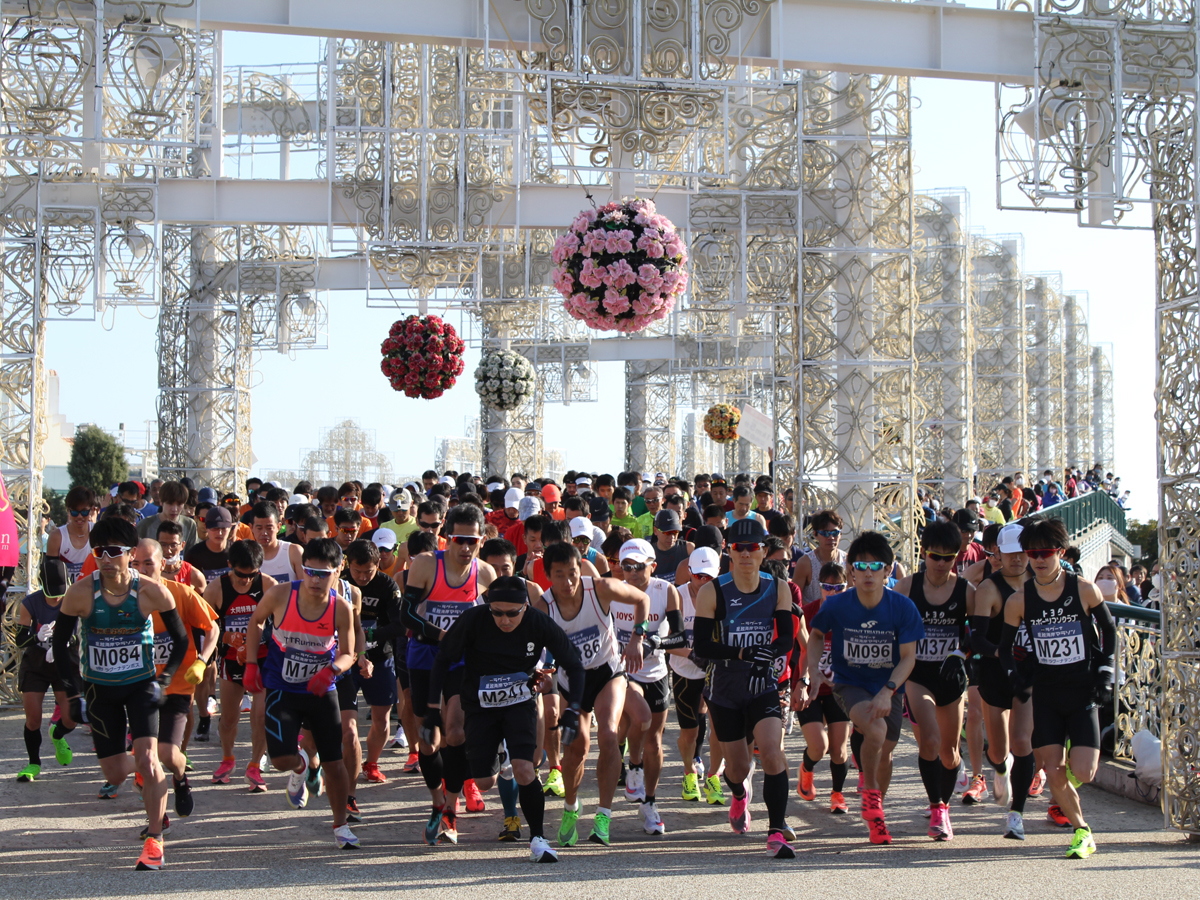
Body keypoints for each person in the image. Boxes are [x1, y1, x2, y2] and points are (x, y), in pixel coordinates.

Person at [51, 516, 189, 870]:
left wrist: (166, 679)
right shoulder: (81, 592)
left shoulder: (150, 591)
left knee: (147, 759)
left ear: (130, 553)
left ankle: (155, 840)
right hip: (100, 689)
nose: (107, 559)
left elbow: (181, 640)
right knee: (114, 774)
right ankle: (147, 758)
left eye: (115, 552)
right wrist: (72, 693)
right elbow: (59, 641)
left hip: (141, 685)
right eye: (100, 552)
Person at [426, 575, 587, 862]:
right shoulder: (473, 619)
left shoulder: (539, 622)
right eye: (496, 612)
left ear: (525, 605)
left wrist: (572, 709)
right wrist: (430, 709)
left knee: (525, 769)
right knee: (484, 781)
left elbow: (574, 664)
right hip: (480, 707)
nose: (504, 620)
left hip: (519, 704)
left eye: (512, 613)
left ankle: (538, 838)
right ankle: (499, 755)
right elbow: (442, 659)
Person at [999, 517, 1115, 859]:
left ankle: (1066, 795)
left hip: (1082, 693)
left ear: (1060, 552)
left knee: (1084, 771)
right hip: (1046, 694)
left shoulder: (1083, 590)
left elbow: (1109, 632)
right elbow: (1004, 649)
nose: (1038, 559)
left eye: (1045, 552)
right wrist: (1014, 674)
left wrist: (1106, 673)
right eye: (1032, 553)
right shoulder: (1019, 600)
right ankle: (1082, 831)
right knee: (1052, 767)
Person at [804, 530, 923, 846]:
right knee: (876, 730)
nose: (868, 573)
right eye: (861, 566)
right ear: (851, 570)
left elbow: (909, 657)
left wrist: (888, 690)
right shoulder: (838, 605)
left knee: (885, 752)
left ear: (889, 569)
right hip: (850, 683)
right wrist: (815, 670)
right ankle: (870, 794)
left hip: (888, 685)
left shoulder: (903, 607)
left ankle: (877, 813)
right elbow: (816, 635)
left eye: (876, 566)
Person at [692, 518, 800, 859]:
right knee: (737, 769)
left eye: (753, 548)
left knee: (771, 751)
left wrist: (767, 655)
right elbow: (702, 648)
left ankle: (776, 829)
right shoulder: (713, 591)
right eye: (738, 548)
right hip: (724, 689)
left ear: (764, 551)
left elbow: (786, 637)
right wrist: (741, 652)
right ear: (729, 552)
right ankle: (739, 795)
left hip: (761, 683)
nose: (746, 555)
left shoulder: (778, 588)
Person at [242, 539, 359, 849]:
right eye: (309, 572)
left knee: (335, 763)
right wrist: (252, 664)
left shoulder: (341, 607)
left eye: (323, 574)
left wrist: (332, 670)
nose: (315, 580)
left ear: (338, 571)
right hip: (282, 687)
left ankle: (341, 826)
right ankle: (301, 766)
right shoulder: (281, 595)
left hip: (322, 691)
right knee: (280, 760)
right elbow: (255, 623)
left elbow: (349, 653)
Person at [534, 541, 649, 848]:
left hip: (606, 673)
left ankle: (604, 815)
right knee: (576, 749)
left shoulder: (600, 588)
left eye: (572, 573)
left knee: (609, 735)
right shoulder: (544, 607)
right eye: (559, 575)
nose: (568, 582)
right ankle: (571, 807)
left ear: (580, 568)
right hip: (572, 681)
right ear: (548, 576)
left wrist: (638, 637)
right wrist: (541, 668)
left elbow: (641, 599)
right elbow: (533, 647)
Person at [400, 503, 497, 844]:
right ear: (446, 538)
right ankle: (436, 800)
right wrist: (443, 635)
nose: (465, 547)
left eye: (472, 540)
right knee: (428, 741)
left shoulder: (486, 574)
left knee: (456, 733)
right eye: (459, 539)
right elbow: (407, 615)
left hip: (460, 662)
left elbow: (494, 624)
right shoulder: (426, 565)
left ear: (481, 540)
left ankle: (451, 809)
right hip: (425, 656)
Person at [131, 539, 220, 828]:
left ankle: (181, 779)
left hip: (179, 684)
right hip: (139, 687)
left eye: (148, 563)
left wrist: (202, 660)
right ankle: (157, 819)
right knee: (144, 762)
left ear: (162, 564)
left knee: (168, 754)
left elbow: (213, 627)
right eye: (136, 563)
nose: (142, 569)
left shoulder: (179, 593)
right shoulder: (124, 598)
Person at [894, 521, 972, 841]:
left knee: (949, 752)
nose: (940, 563)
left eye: (948, 557)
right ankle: (937, 807)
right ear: (923, 553)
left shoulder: (968, 592)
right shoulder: (905, 588)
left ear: (958, 556)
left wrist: (962, 655)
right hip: (919, 674)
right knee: (930, 739)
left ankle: (946, 800)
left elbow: (978, 635)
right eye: (934, 556)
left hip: (950, 677)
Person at [969, 521, 1039, 837]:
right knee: (998, 749)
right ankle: (998, 769)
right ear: (998, 552)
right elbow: (977, 639)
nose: (1017, 560)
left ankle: (1016, 815)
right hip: (995, 672)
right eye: (1010, 553)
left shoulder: (1040, 583)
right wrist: (1004, 653)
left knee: (1022, 741)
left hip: (1027, 673)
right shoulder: (989, 589)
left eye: (1023, 552)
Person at [613, 538, 684, 835]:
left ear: (652, 567)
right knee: (639, 718)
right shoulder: (612, 591)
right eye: (626, 566)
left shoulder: (665, 591)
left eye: (638, 567)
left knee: (654, 738)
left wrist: (654, 641)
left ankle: (650, 803)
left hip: (655, 672)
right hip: (621, 670)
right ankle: (633, 764)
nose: (631, 572)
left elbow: (680, 638)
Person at [204, 539, 277, 792]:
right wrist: (227, 638)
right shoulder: (215, 589)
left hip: (264, 660)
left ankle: (255, 765)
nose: (246, 581)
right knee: (229, 718)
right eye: (240, 575)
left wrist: (256, 642)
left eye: (252, 575)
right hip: (232, 660)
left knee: (260, 715)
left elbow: (279, 625)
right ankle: (227, 759)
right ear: (229, 566)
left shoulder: (269, 585)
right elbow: (205, 628)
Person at [341, 539, 403, 785]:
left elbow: (399, 626)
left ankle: (372, 763)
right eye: (357, 571)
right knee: (344, 721)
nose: (363, 577)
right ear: (348, 565)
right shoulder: (341, 581)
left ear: (379, 563)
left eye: (369, 571)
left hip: (379, 658)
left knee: (382, 717)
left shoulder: (388, 586)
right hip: (346, 658)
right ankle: (339, 763)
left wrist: (368, 636)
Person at [795, 561, 852, 814]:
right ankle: (807, 769)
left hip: (839, 690)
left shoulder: (854, 614)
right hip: (810, 688)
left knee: (839, 751)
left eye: (838, 588)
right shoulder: (807, 612)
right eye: (828, 587)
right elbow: (800, 651)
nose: (833, 592)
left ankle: (837, 795)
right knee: (819, 746)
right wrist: (799, 683)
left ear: (846, 587)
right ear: (819, 587)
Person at [670, 546, 726, 806]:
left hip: (715, 671)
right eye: (698, 577)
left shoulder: (724, 596)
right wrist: (692, 654)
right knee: (689, 732)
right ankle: (689, 772)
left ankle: (713, 776)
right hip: (684, 671)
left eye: (709, 578)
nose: (703, 582)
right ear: (689, 573)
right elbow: (664, 640)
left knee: (719, 728)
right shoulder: (677, 597)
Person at [14, 558, 77, 782]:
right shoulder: (29, 603)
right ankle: (33, 764)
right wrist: (35, 637)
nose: (56, 598)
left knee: (71, 717)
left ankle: (57, 735)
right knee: (33, 718)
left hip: (64, 661)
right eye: (51, 594)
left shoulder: (74, 600)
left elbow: (82, 633)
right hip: (37, 662)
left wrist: (66, 642)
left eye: (59, 593)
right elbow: (19, 640)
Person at [792, 510, 847, 608]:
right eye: (825, 533)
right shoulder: (806, 563)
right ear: (815, 534)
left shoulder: (847, 561)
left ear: (840, 534)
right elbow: (795, 597)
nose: (831, 537)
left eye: (835, 533)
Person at [47, 486, 96, 582]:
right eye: (74, 512)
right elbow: (51, 573)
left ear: (91, 510)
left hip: (92, 591)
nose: (79, 516)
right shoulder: (57, 537)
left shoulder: (98, 532)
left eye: (84, 512)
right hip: (66, 593)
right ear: (68, 510)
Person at [136, 481, 198, 551]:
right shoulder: (145, 525)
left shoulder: (189, 525)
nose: (174, 509)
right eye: (170, 504)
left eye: (179, 504)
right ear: (161, 502)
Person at [185, 506, 233, 583]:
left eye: (223, 528)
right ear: (206, 527)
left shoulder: (237, 552)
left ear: (230, 527)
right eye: (214, 528)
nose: (219, 533)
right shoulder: (194, 555)